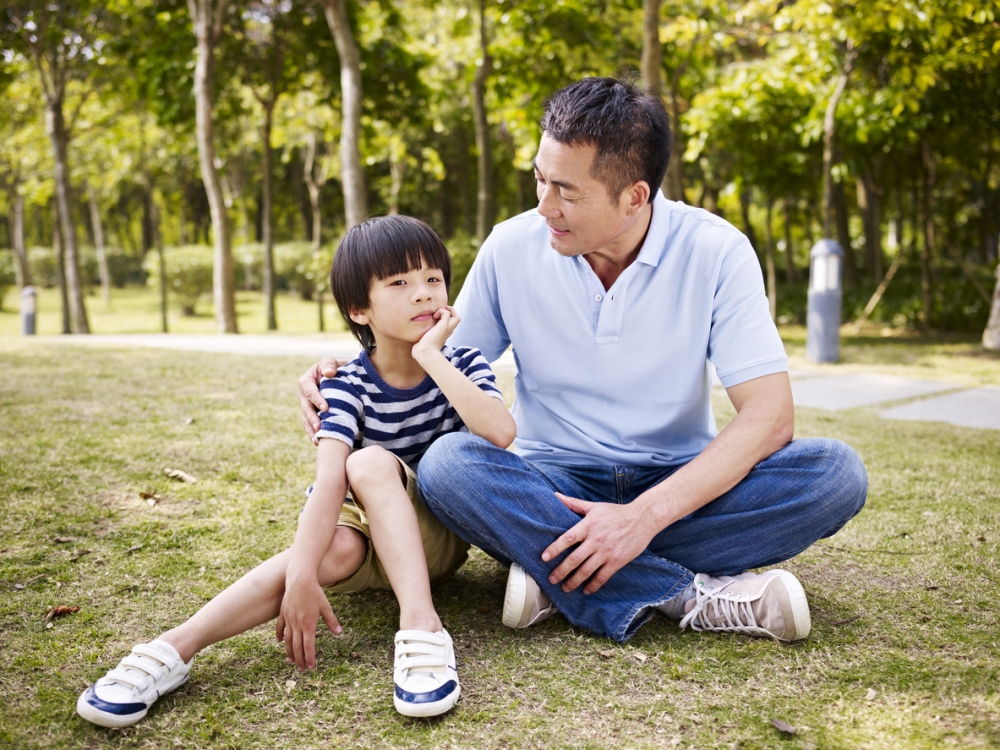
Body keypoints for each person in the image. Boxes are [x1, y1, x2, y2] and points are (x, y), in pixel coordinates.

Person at [299, 77, 867, 645]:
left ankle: (557, 569)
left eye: (565, 192)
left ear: (634, 197)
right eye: (540, 179)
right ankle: (685, 593)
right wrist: (345, 370)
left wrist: (642, 518)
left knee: (834, 476)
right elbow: (431, 356)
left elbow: (769, 418)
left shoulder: (716, 251)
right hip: (547, 480)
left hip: (676, 481)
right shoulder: (512, 246)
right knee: (451, 466)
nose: (543, 205)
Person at [77, 216, 516, 727]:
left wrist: (429, 355)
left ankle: (423, 627)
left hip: (435, 537)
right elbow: (329, 480)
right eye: (399, 283)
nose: (423, 294)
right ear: (360, 309)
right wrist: (303, 577)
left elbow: (499, 432)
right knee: (336, 535)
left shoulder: (462, 361)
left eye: (433, 279)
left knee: (369, 462)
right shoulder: (346, 383)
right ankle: (172, 649)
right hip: (365, 539)